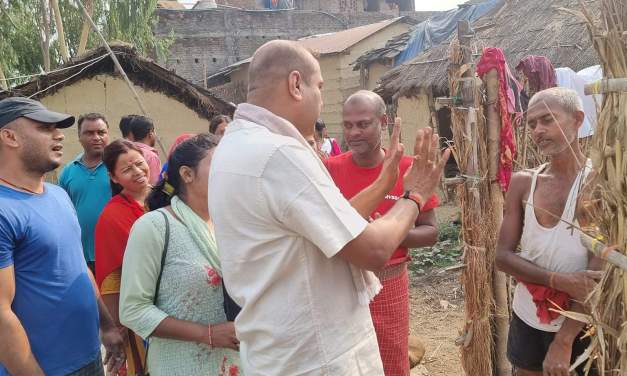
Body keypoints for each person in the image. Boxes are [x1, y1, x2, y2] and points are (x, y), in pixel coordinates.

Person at [208, 40, 449, 374]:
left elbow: (332, 222)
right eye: (319, 87)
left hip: (280, 348)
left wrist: (386, 178)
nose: (321, 100)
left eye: (363, 123)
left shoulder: (236, 145)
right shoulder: (279, 154)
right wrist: (415, 196)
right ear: (296, 84)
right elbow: (373, 249)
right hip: (315, 356)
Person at [0, 97, 125, 376]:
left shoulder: (58, 195)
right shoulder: (3, 210)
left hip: (89, 356)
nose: (58, 135)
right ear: (9, 137)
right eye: (45, 128)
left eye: (57, 128)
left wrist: (106, 326)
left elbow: (78, 266)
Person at [325, 90, 439, 376]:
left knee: (391, 362)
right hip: (341, 284)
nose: (354, 132)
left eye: (363, 124)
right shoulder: (329, 170)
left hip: (390, 284)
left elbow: (431, 232)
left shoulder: (409, 169)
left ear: (383, 122)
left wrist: (387, 232)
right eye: (348, 125)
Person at [495, 87, 603, 376]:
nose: (538, 130)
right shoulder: (523, 183)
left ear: (578, 119)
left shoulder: (599, 187)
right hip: (526, 314)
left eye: (548, 120)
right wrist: (560, 280)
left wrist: (565, 340)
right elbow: (502, 258)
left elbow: (594, 278)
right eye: (532, 124)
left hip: (580, 323)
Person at [120, 134, 241, 375]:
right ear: (187, 174)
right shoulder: (154, 227)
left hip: (236, 362)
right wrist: (207, 333)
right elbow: (133, 309)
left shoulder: (229, 223)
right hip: (181, 364)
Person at [95, 139, 152, 375]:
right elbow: (111, 279)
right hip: (144, 309)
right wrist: (116, 328)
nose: (138, 172)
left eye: (139, 164)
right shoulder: (112, 216)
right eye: (127, 170)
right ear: (114, 177)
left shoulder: (169, 196)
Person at [59, 113, 111, 274]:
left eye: (101, 132)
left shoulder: (118, 166)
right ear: (79, 137)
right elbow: (63, 212)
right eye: (89, 133)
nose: (96, 137)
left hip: (117, 252)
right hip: (81, 255)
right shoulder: (68, 171)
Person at [119, 115, 161, 185]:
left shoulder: (124, 152)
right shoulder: (151, 156)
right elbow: (154, 186)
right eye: (154, 132)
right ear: (150, 133)